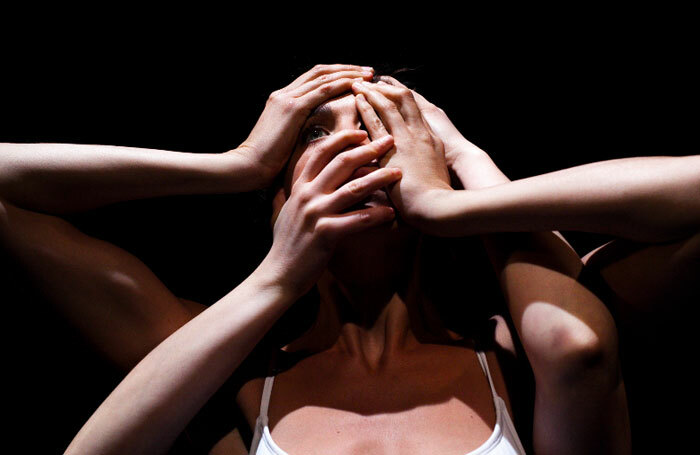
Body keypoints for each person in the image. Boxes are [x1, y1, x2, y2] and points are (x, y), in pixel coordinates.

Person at [1, 64, 697, 454]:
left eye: (382, 129)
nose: (353, 150)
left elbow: (577, 344)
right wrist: (232, 166)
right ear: (279, 190)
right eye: (315, 133)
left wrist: (463, 176)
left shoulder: (516, 353)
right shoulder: (230, 372)